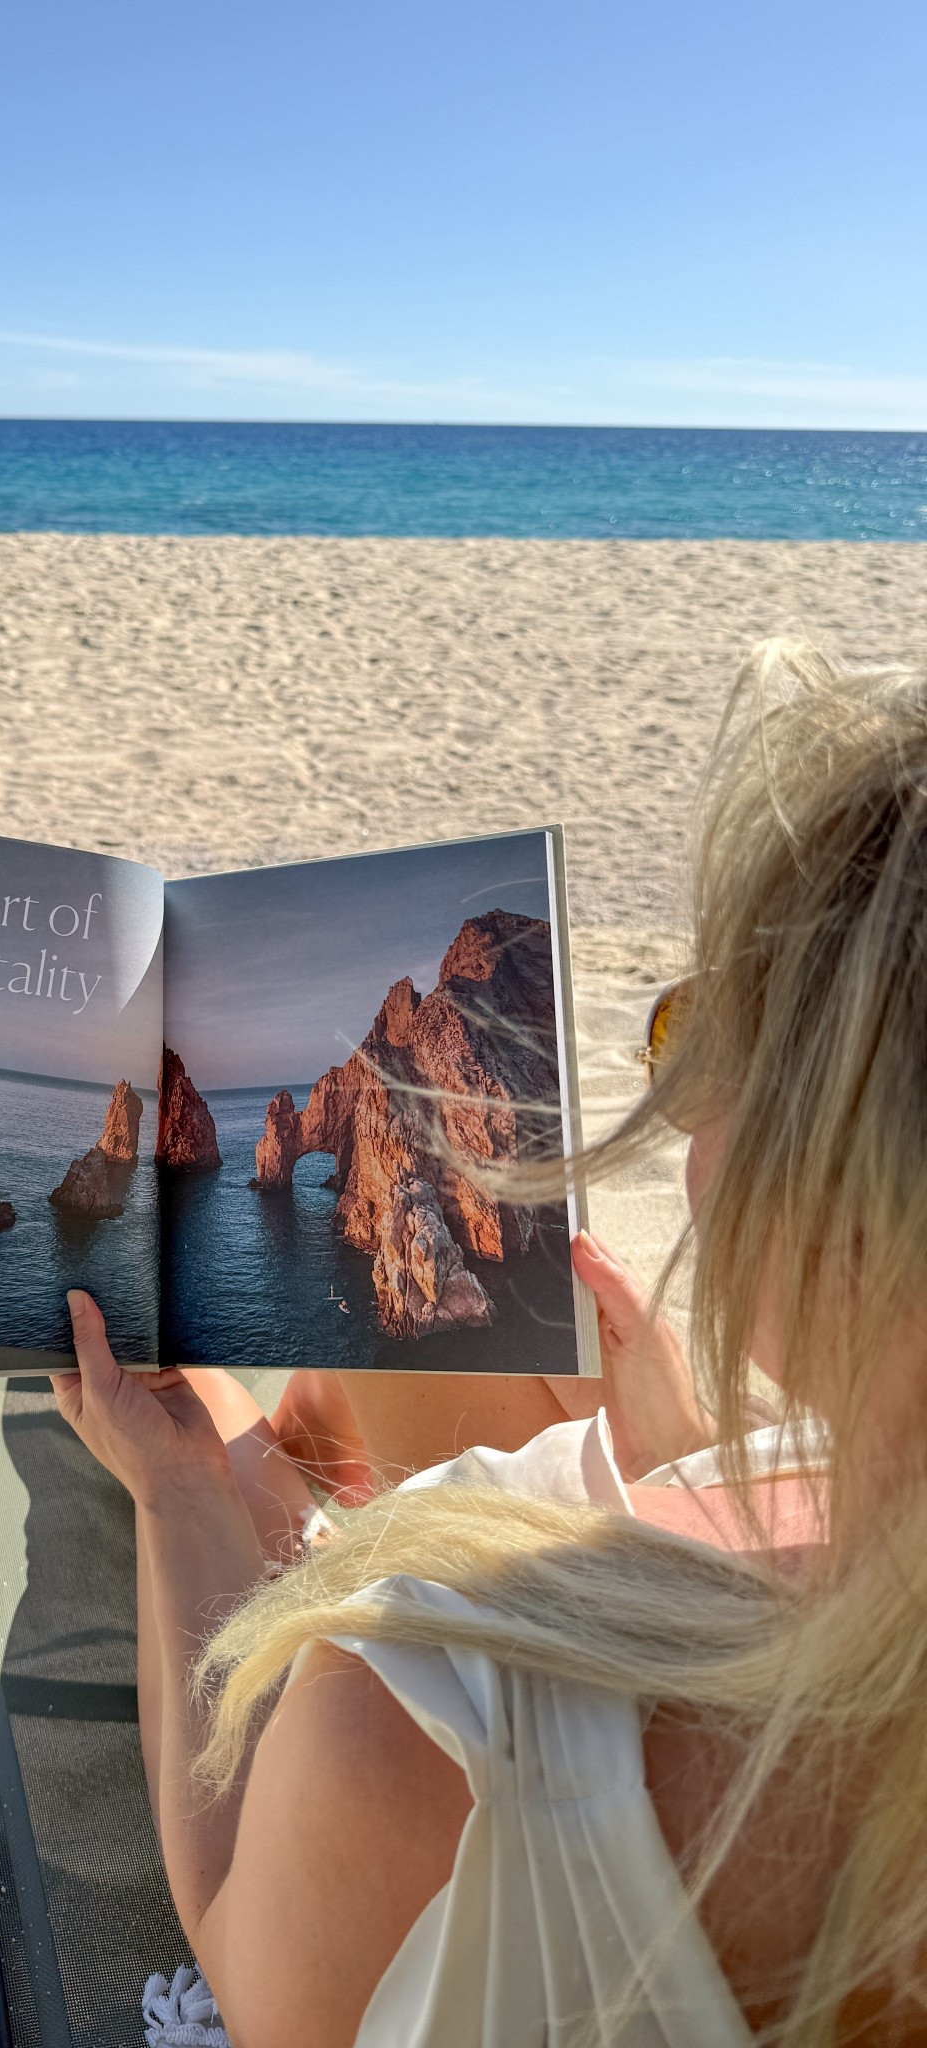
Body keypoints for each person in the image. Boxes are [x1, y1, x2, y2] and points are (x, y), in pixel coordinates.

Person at [52, 640, 927, 2046]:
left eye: (704, 1033)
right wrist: (706, 1452)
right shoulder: (826, 1493)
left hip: (414, 1814)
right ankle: (306, 1434)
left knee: (291, 1434)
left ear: (836, 1198)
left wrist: (178, 1502)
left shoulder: (411, 1743)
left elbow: (236, 1948)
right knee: (424, 1354)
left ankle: (256, 1459)